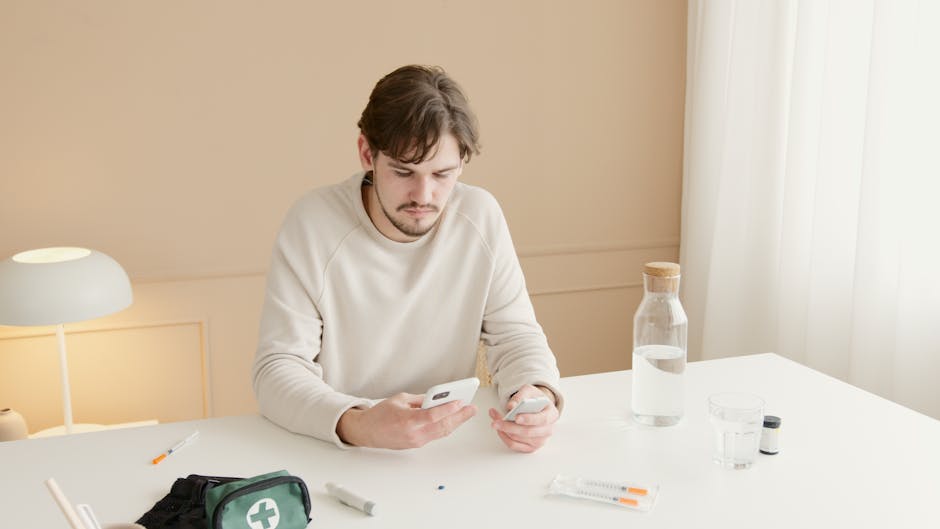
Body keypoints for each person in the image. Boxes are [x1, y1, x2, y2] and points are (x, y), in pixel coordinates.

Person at [252, 64, 563, 453]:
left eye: (442, 174)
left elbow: (515, 335)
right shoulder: (313, 223)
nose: (424, 195)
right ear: (367, 153)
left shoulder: (480, 216)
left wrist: (537, 393)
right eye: (403, 171)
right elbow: (276, 370)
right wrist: (360, 424)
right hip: (338, 451)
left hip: (447, 451)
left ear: (462, 163)